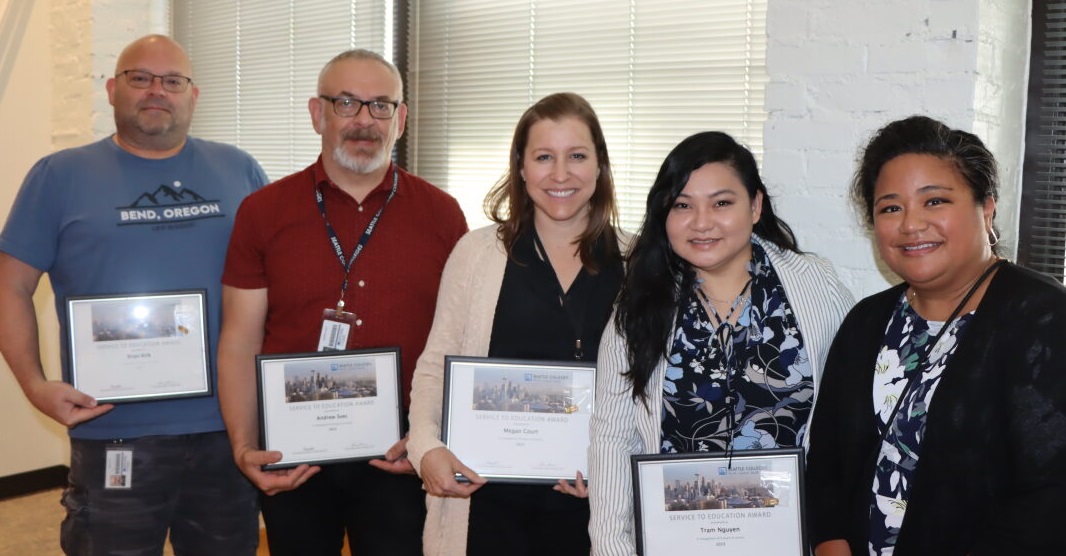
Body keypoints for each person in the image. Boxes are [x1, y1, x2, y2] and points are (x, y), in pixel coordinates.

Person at [0, 35, 267, 555]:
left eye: (172, 81)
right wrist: (34, 385)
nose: (156, 91)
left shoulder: (239, 170)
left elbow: (272, 283)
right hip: (112, 429)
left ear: (194, 95)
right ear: (111, 88)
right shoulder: (58, 176)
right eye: (139, 78)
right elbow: (10, 287)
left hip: (227, 429)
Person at [217, 49, 467, 555]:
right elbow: (240, 339)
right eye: (347, 103)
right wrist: (244, 444)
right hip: (293, 447)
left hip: (399, 450)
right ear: (317, 114)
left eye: (380, 106)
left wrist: (429, 439)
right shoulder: (262, 212)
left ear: (400, 119)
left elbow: (462, 343)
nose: (363, 121)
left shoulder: (442, 215)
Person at [805, 116, 1066, 555]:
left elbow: (1051, 498)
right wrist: (831, 544)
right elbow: (828, 461)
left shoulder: (1045, 319)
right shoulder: (866, 323)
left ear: (986, 207)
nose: (910, 224)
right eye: (891, 207)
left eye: (935, 201)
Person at [588, 131, 854, 554]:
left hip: (790, 541)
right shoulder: (638, 303)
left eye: (721, 203)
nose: (701, 222)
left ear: (756, 205)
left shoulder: (814, 284)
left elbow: (848, 421)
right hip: (673, 543)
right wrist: (611, 547)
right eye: (682, 205)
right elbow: (613, 438)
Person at [406, 92, 627, 555]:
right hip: (487, 507)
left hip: (597, 512)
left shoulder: (638, 261)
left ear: (600, 165)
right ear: (522, 168)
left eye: (577, 156)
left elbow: (649, 391)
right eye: (544, 157)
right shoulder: (477, 254)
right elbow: (435, 366)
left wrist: (617, 470)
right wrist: (426, 448)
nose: (560, 174)